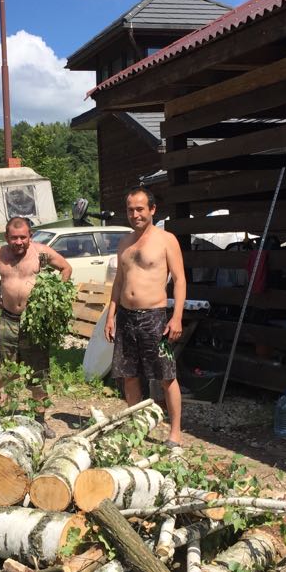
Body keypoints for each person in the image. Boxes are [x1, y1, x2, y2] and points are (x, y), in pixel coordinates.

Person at [104, 187, 186, 447]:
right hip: (126, 317)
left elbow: (181, 280)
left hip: (155, 317)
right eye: (130, 210)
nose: (135, 214)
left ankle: (175, 432)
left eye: (140, 209)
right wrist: (110, 315)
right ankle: (136, 426)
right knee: (128, 375)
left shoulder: (166, 239)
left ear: (152, 209)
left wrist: (177, 317)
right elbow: (119, 282)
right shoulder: (125, 242)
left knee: (166, 376)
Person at [0, 217, 72, 437]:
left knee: (39, 375)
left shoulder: (42, 253)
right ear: (6, 237)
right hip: (8, 322)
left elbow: (65, 268)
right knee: (7, 374)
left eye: (23, 237)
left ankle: (39, 420)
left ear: (31, 236)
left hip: (34, 324)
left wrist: (55, 293)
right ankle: (4, 421)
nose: (18, 242)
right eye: (14, 237)